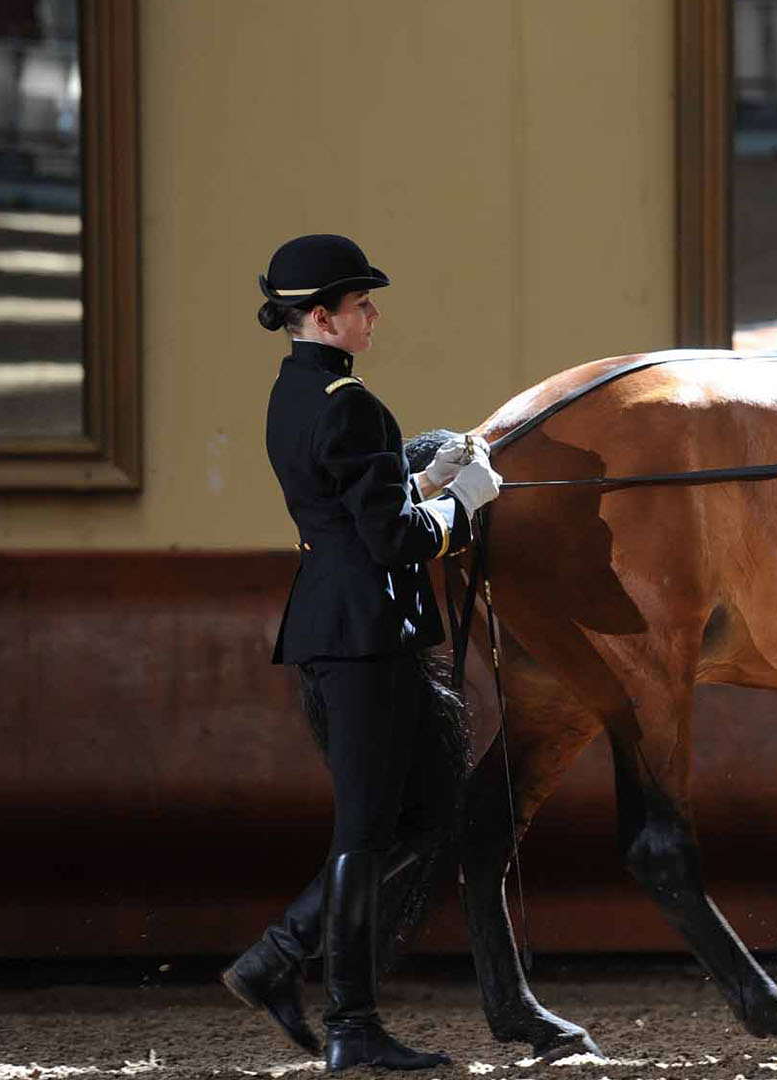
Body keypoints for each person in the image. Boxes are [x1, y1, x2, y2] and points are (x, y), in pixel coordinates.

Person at [222, 233, 501, 1070]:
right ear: (321, 316)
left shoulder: (295, 392)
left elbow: (352, 504)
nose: (373, 315)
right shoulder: (352, 404)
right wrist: (462, 504)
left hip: (345, 624)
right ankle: (349, 1022)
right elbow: (393, 540)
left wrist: (422, 482)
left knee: (420, 816)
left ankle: (279, 958)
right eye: (361, 304)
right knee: (369, 829)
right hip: (364, 634)